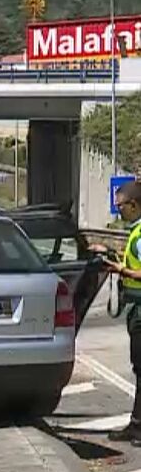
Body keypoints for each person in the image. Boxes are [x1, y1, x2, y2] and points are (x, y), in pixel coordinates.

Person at [92, 181, 141, 443]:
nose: (118, 211)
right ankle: (136, 424)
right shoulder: (135, 233)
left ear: (133, 206)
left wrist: (119, 270)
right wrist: (110, 253)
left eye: (120, 206)